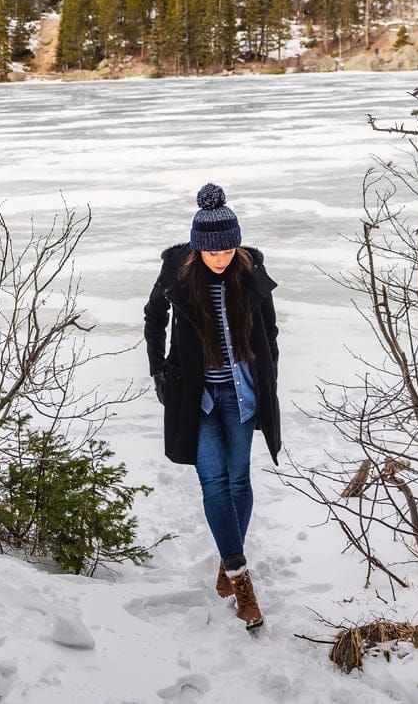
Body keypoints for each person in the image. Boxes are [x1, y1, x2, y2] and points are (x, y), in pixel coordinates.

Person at [143, 183, 281, 630]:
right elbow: (153, 318)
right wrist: (159, 371)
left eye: (228, 248)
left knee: (239, 481)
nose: (221, 257)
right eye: (213, 251)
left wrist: (269, 376)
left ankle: (227, 557)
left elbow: (270, 332)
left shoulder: (250, 271)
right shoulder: (177, 273)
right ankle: (242, 581)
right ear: (198, 247)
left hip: (241, 393)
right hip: (197, 398)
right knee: (214, 483)